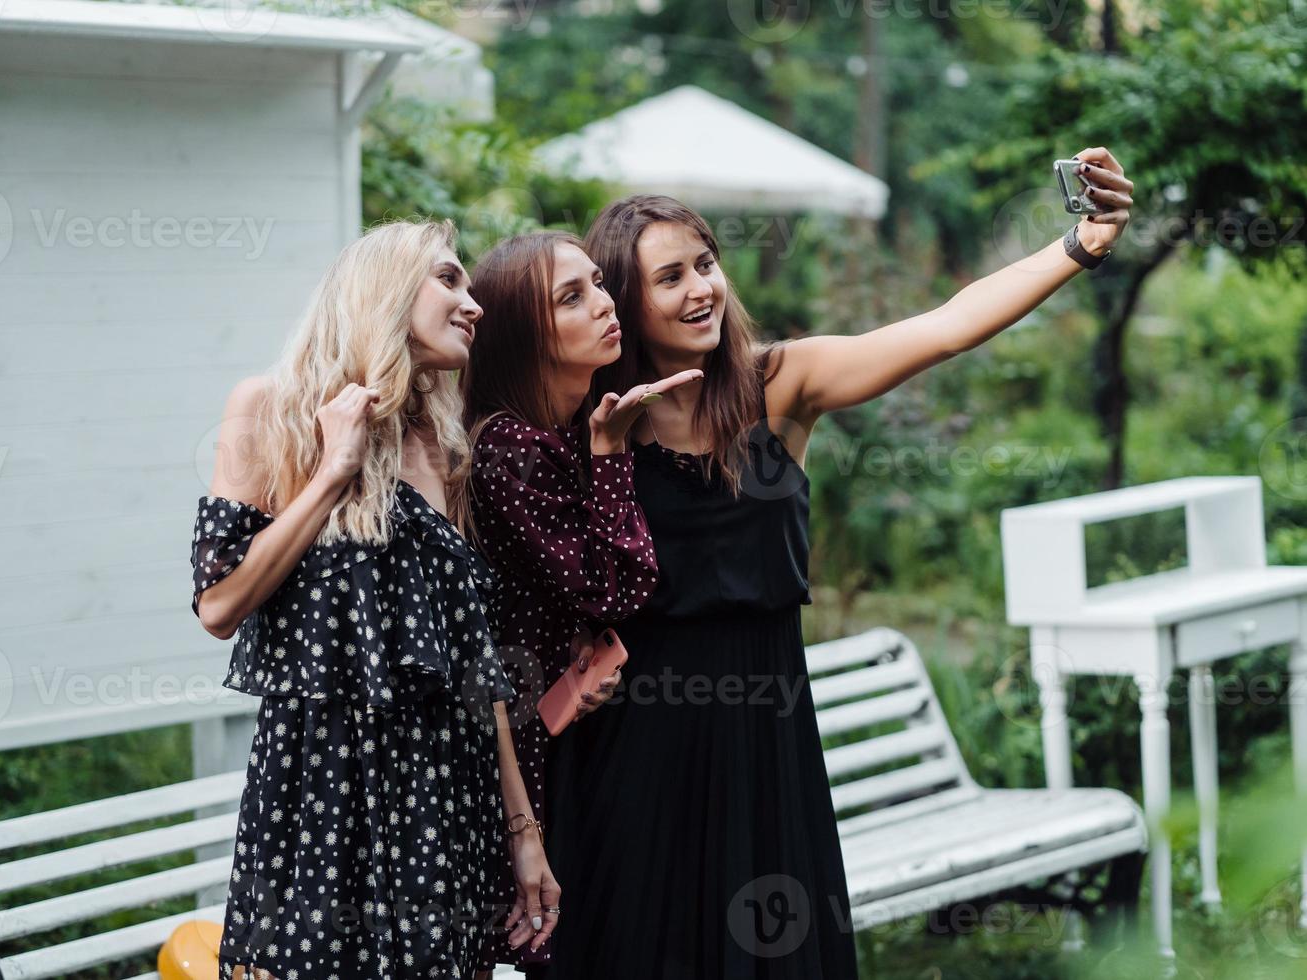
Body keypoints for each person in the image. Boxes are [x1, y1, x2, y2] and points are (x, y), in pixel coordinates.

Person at [542, 149, 1134, 978]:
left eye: (705, 264)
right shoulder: (592, 432)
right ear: (624, 303)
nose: (701, 289)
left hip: (763, 732)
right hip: (638, 751)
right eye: (669, 278)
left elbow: (944, 327)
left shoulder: (778, 386)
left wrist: (1083, 243)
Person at [189, 218, 560, 980]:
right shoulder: (269, 410)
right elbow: (219, 606)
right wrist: (332, 474)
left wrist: (523, 833)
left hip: (442, 796)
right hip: (322, 788)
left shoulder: (442, 446)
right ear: (386, 289)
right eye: (448, 279)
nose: (474, 303)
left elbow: (476, 670)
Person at [459, 231, 703, 976]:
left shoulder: (561, 431)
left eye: (598, 284)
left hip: (564, 729)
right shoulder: (507, 447)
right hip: (514, 753)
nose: (604, 304)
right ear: (524, 332)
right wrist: (610, 457)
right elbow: (617, 587)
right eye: (573, 297)